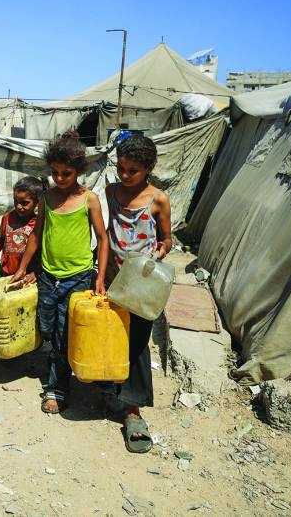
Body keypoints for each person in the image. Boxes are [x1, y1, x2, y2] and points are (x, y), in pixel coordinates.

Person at [11, 132, 108, 415]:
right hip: (48, 278)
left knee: (65, 333)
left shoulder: (89, 199)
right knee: (46, 327)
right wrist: (22, 268)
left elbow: (102, 239)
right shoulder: (47, 198)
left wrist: (99, 276)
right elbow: (36, 236)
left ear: (78, 171)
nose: (60, 178)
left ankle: (57, 387)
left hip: (77, 278)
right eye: (55, 173)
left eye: (66, 173)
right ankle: (55, 361)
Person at [102, 134, 172, 453]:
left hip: (141, 285)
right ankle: (109, 385)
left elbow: (167, 240)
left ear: (149, 168)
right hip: (114, 279)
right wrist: (100, 275)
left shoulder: (158, 199)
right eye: (121, 168)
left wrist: (158, 253)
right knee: (112, 333)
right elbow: (106, 235)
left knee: (138, 343)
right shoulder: (111, 192)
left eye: (133, 170)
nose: (125, 175)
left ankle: (132, 410)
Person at [0, 176, 45, 278]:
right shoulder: (7, 218)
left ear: (37, 202)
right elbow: (3, 239)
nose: (18, 206)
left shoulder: (38, 225)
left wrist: (36, 271)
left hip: (26, 273)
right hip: (5, 271)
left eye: (24, 203)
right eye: (16, 201)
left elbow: (41, 251)